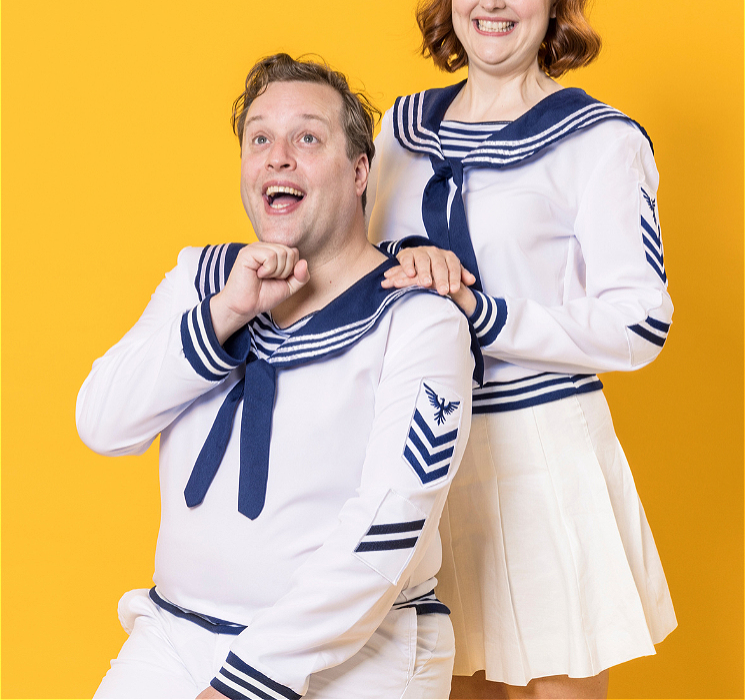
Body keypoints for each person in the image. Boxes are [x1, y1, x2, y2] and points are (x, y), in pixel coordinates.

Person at [77, 53, 475, 700]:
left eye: (307, 138)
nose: (277, 156)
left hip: (360, 653)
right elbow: (101, 423)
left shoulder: (419, 319)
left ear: (357, 173)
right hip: (174, 636)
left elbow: (391, 522)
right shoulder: (199, 282)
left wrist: (246, 684)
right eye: (259, 137)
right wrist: (225, 314)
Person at [366, 0, 676, 699]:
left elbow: (638, 322)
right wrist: (405, 258)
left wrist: (485, 313)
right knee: (442, 680)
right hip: (421, 445)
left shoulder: (599, 140)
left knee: (551, 686)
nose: (491, 0)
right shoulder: (398, 129)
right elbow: (360, 267)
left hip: (539, 448)